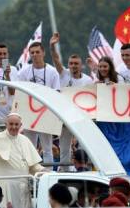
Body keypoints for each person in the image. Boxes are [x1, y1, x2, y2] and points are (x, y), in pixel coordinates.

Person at [0, 113, 45, 208]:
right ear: (6, 124)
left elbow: (33, 166)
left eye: (16, 124)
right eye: (11, 124)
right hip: (5, 186)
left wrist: (44, 171)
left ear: (20, 125)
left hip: (23, 187)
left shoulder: (25, 140)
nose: (14, 127)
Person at [50, 33, 94, 171]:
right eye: (71, 63)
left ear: (81, 66)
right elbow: (56, 59)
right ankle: (65, 173)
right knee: (64, 150)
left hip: (81, 119)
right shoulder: (64, 74)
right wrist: (52, 46)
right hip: (65, 119)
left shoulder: (87, 80)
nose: (73, 66)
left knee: (85, 147)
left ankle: (85, 171)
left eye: (76, 64)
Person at [17, 41, 60, 164]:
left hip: (45, 113)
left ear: (43, 53)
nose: (35, 55)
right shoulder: (24, 72)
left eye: (37, 52)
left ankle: (48, 174)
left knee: (47, 148)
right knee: (30, 147)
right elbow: (20, 93)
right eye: (32, 53)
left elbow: (56, 93)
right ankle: (31, 171)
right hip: (29, 113)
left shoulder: (52, 72)